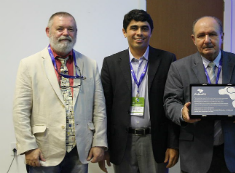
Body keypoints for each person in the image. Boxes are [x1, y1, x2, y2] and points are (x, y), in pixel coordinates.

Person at [13, 12, 107, 173]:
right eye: (60, 28)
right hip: (44, 150)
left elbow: (99, 108)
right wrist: (28, 148)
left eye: (71, 29)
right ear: (48, 31)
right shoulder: (29, 65)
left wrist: (99, 143)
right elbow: (20, 110)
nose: (66, 33)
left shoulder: (90, 65)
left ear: (76, 33)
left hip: (80, 150)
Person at [164, 16, 235, 173]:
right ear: (193, 39)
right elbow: (170, 101)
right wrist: (183, 113)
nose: (207, 40)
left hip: (231, 153)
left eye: (212, 34)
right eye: (201, 35)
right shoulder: (179, 67)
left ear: (221, 36)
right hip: (195, 153)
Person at [99, 9, 179, 173]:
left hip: (155, 141)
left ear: (151, 31)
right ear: (124, 32)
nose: (139, 33)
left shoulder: (166, 60)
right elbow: (104, 107)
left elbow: (172, 103)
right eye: (134, 28)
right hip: (122, 142)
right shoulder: (111, 63)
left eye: (144, 28)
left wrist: (172, 144)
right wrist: (103, 145)